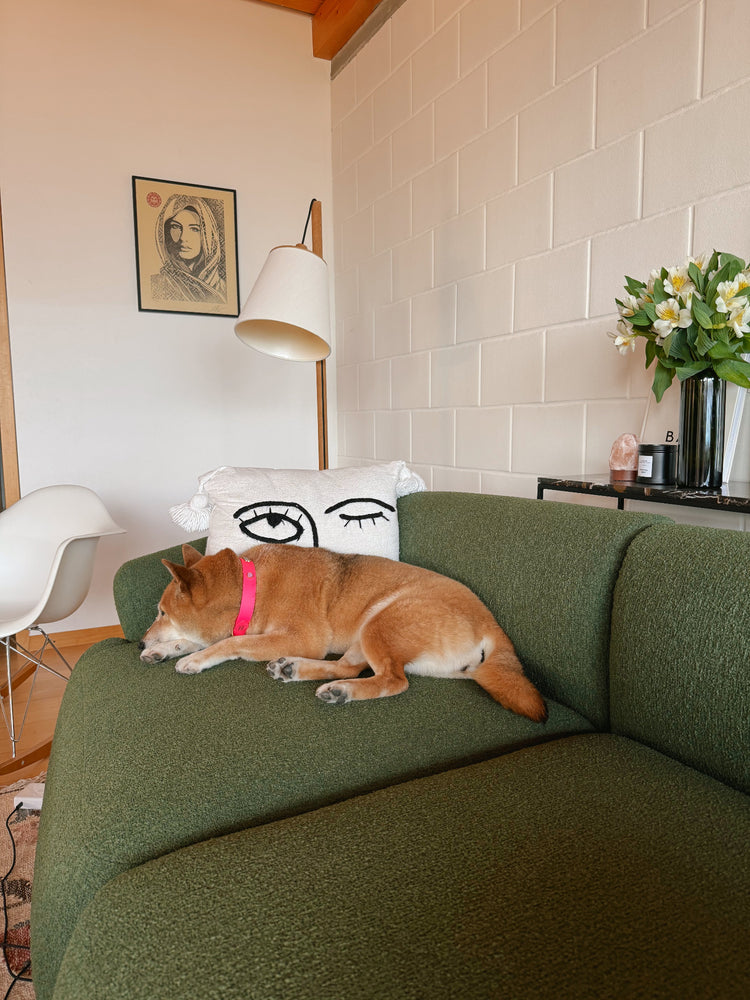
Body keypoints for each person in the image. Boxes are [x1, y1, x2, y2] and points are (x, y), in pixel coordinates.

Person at [151, 194, 227, 304]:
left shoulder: (222, 287)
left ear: (208, 235)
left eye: (194, 229)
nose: (183, 238)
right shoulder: (157, 284)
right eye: (175, 227)